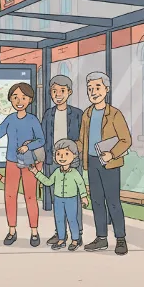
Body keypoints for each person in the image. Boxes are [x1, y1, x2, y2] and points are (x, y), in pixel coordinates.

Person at [0, 82, 45, 246]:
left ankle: (34, 231)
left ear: (30, 100)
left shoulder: (32, 120)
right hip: (12, 162)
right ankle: (12, 230)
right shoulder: (10, 119)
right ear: (10, 100)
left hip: (29, 163)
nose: (19, 101)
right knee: (10, 196)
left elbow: (41, 140)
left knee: (30, 196)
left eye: (23, 97)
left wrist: (28, 147)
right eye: (15, 97)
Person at [76, 71, 133, 255]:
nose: (93, 92)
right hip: (92, 162)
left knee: (113, 202)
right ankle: (101, 238)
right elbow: (82, 141)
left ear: (106, 89)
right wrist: (70, 148)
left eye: (97, 87)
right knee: (97, 201)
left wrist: (112, 154)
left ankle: (120, 238)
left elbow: (126, 140)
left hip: (110, 164)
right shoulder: (87, 114)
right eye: (90, 88)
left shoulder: (114, 114)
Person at [41, 74, 84, 246]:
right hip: (53, 161)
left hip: (73, 161)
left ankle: (77, 234)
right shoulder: (48, 114)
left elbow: (83, 138)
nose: (58, 94)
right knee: (57, 198)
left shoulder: (77, 114)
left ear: (69, 92)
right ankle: (60, 233)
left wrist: (76, 152)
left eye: (62, 91)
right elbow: (44, 137)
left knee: (74, 199)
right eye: (54, 91)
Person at [30, 139, 88, 251]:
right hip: (58, 200)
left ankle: (75, 239)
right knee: (59, 219)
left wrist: (84, 196)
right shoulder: (57, 172)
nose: (62, 157)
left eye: (66, 154)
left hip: (71, 199)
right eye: (58, 154)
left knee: (72, 219)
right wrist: (37, 173)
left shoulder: (75, 173)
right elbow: (48, 182)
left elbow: (81, 184)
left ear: (74, 156)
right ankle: (61, 239)